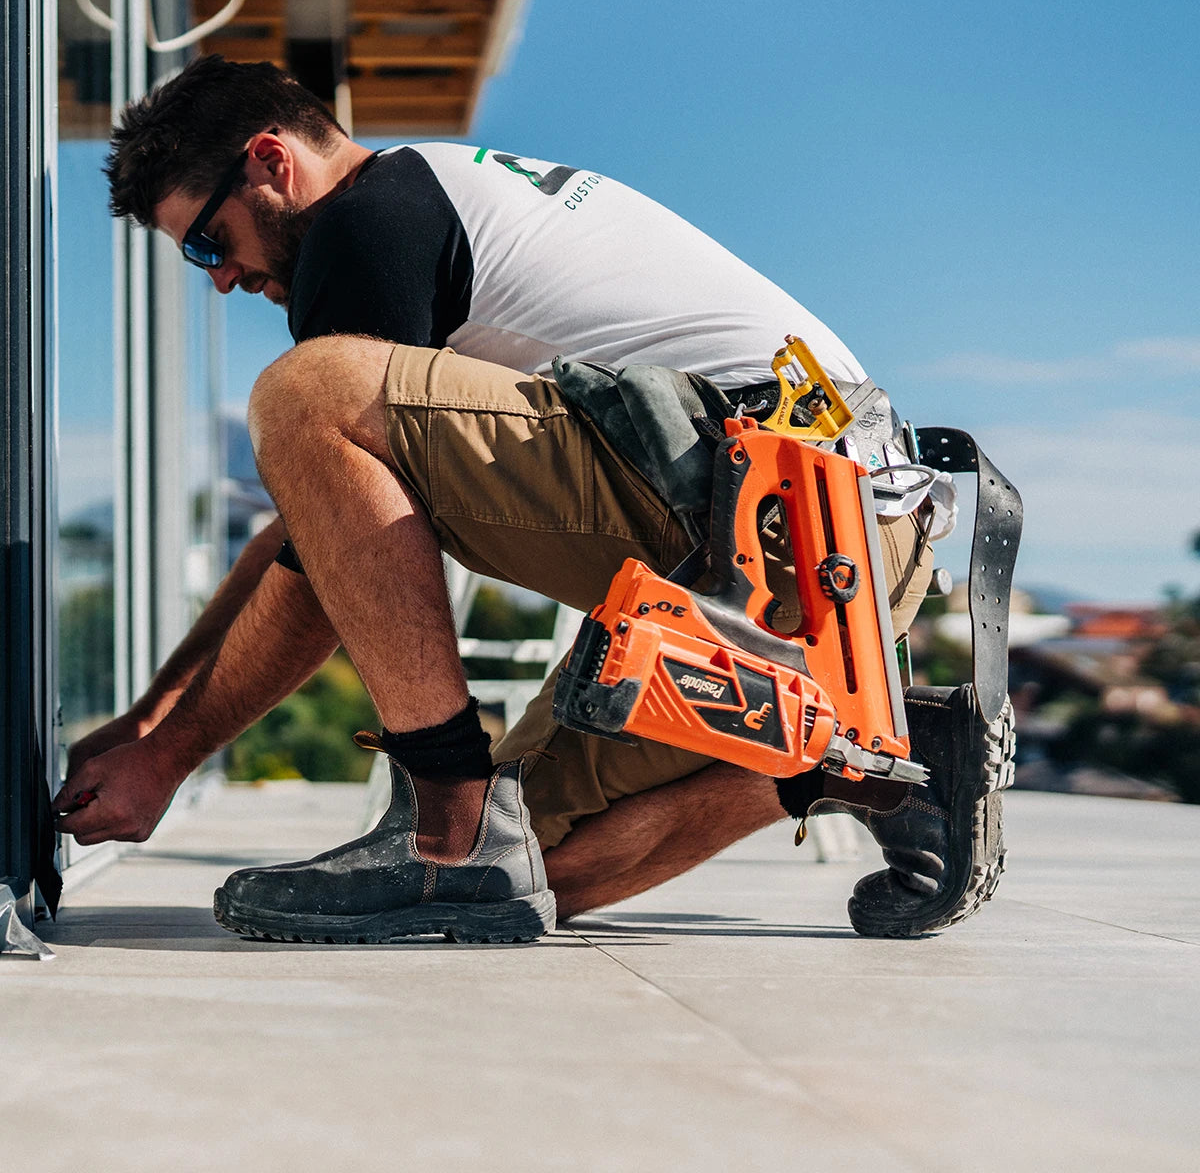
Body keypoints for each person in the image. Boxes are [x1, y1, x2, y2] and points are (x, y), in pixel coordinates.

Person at [54, 56, 1012, 943]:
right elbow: (325, 529)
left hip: (771, 517)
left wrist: (169, 750)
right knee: (518, 873)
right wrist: (150, 723)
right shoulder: (444, 194)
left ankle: (448, 812)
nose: (220, 278)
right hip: (847, 556)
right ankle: (890, 755)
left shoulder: (369, 219)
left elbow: (322, 569)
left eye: (207, 243)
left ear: (271, 160)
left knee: (305, 391)